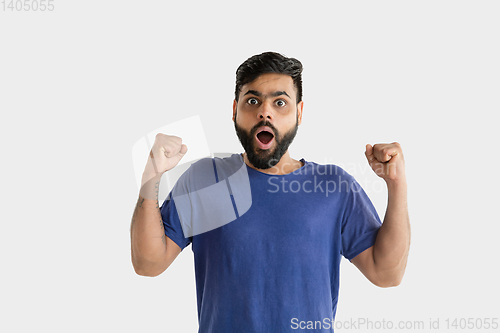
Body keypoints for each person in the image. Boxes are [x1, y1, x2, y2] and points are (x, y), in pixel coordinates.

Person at [130, 52, 411, 332]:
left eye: (280, 102)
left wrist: (396, 184)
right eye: (253, 101)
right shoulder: (206, 179)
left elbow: (386, 273)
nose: (265, 112)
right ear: (234, 111)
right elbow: (148, 263)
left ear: (299, 112)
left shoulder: (334, 186)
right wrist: (151, 175)